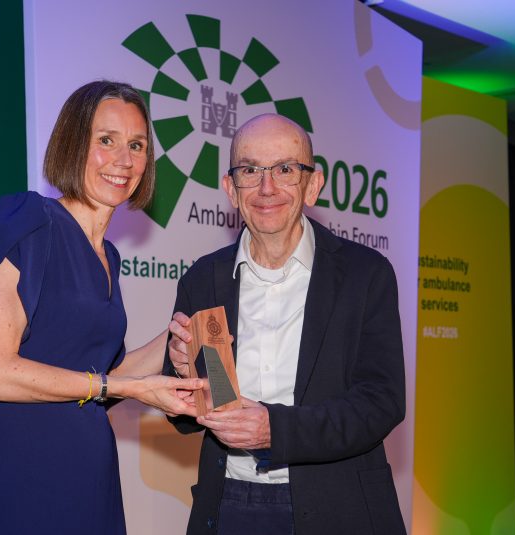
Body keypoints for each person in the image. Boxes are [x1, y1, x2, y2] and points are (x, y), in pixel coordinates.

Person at [0, 80, 202, 535]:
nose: (123, 160)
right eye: (105, 140)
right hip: (21, 469)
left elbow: (113, 373)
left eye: (137, 145)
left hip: (89, 472)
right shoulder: (26, 220)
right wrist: (108, 385)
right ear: (72, 143)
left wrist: (179, 334)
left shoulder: (110, 255)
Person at [165, 114, 406, 534]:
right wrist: (186, 382)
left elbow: (382, 402)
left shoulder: (365, 275)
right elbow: (190, 415)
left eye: (285, 170)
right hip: (228, 504)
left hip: (337, 505)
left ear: (313, 185)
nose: (267, 187)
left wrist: (274, 430)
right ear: (230, 189)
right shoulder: (203, 278)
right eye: (250, 170)